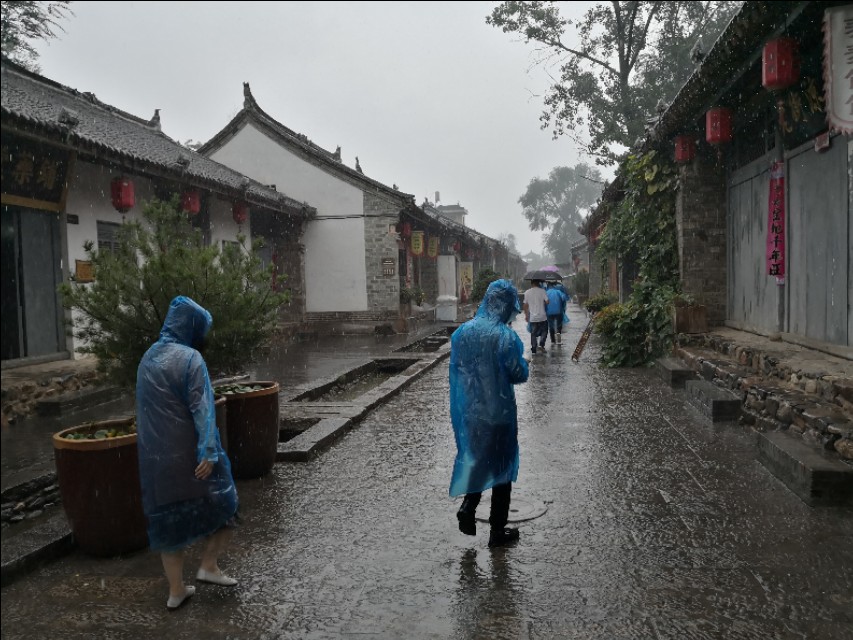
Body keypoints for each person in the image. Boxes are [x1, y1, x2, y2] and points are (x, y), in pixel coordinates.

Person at [136, 295, 240, 611]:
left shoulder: (148, 358)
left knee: (169, 523)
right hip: (193, 453)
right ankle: (208, 566)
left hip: (156, 460)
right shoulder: (191, 359)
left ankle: (176, 589)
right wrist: (208, 451)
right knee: (227, 506)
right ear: (192, 327)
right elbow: (202, 409)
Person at [449, 279, 530, 547]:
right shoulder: (505, 337)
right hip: (499, 414)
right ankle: (497, 531)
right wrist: (524, 363)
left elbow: (461, 370)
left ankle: (468, 507)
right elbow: (517, 374)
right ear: (505, 305)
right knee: (502, 470)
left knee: (478, 460)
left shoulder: (462, 333)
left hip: (472, 413)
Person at [523, 279, 549, 354]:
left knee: (533, 333)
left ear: (531, 283)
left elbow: (525, 305)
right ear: (538, 283)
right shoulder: (542, 291)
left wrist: (526, 315)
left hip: (533, 317)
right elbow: (547, 302)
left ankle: (534, 348)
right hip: (542, 316)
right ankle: (541, 344)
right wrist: (543, 301)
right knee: (544, 331)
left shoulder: (527, 292)